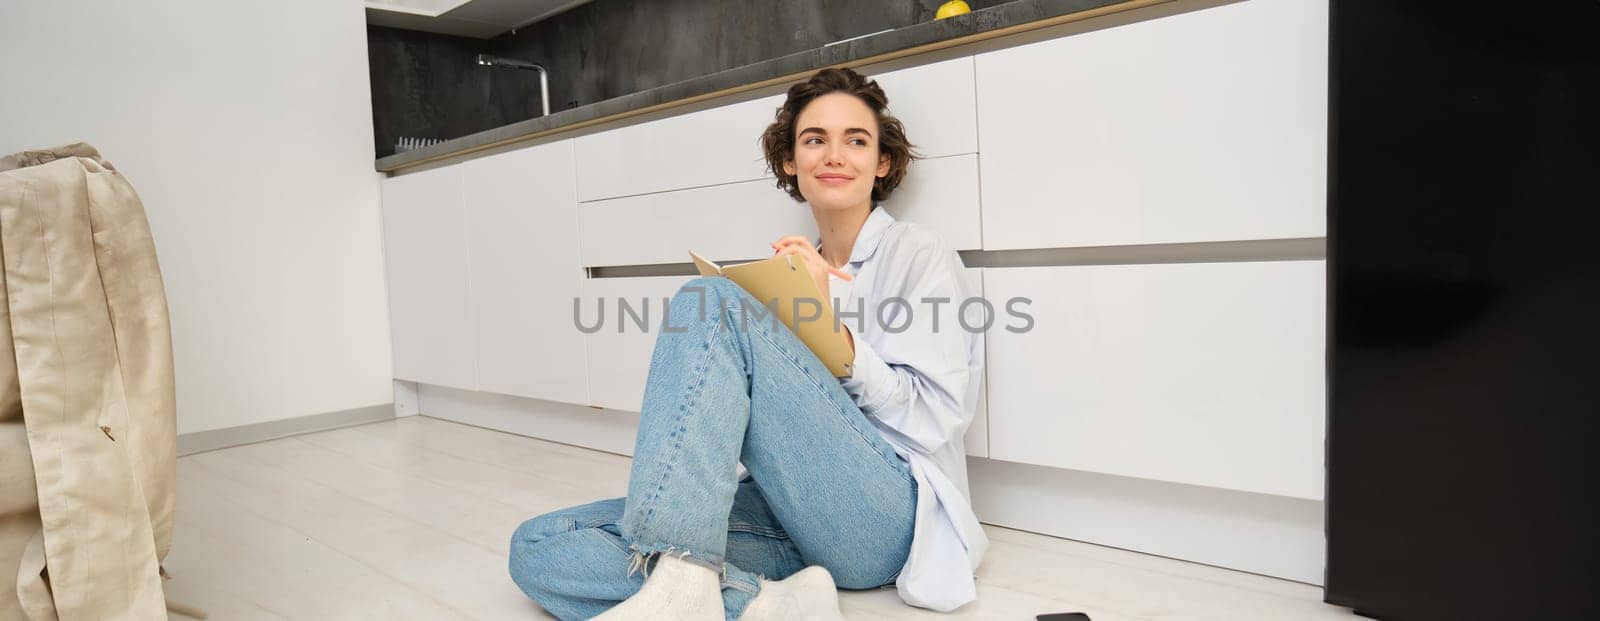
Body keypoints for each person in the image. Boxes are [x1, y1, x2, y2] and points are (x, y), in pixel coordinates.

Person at [509, 67, 987, 620]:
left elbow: (939, 417)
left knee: (709, 300)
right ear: (790, 160)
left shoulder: (918, 254)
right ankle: (761, 601)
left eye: (856, 140)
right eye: (815, 140)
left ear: (882, 163)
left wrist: (825, 328)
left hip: (885, 521)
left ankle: (687, 586)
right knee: (540, 544)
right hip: (788, 512)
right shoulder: (790, 271)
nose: (835, 155)